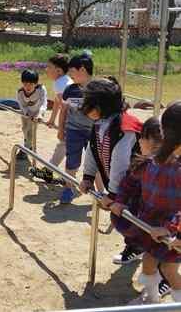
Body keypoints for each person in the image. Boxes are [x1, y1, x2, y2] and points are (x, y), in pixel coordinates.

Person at [111, 102, 181, 305]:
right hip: (151, 227)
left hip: (171, 233)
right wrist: (119, 201)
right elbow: (130, 182)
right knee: (149, 263)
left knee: (168, 269)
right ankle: (151, 298)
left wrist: (170, 229)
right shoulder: (153, 161)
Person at [78, 78, 143, 264]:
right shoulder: (100, 123)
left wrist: (114, 195)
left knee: (126, 218)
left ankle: (139, 247)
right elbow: (92, 148)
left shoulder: (125, 128)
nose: (84, 105)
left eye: (87, 101)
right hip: (119, 184)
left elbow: (120, 163)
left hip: (137, 185)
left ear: (99, 106)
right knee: (123, 218)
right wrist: (88, 176)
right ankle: (137, 245)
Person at [57, 52, 94, 204]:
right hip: (74, 129)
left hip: (93, 131)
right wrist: (61, 129)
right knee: (72, 159)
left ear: (83, 70)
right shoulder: (70, 90)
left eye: (72, 72)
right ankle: (68, 187)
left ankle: (100, 193)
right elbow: (64, 110)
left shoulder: (97, 90)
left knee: (95, 161)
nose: (70, 75)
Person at [30, 54, 72, 183]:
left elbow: (61, 106)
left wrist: (59, 125)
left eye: (49, 67)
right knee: (64, 146)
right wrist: (52, 120)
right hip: (74, 119)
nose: (46, 70)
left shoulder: (60, 83)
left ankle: (55, 173)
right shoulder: (64, 80)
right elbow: (58, 103)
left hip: (73, 121)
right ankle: (51, 172)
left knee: (64, 145)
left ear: (58, 70)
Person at [16, 69, 47, 159]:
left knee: (31, 131)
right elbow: (22, 105)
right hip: (26, 113)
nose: (28, 87)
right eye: (25, 84)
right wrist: (27, 113)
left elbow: (44, 102)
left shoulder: (41, 89)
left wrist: (40, 114)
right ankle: (29, 146)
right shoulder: (20, 92)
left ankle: (25, 150)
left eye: (31, 84)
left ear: (36, 84)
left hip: (37, 112)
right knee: (25, 129)